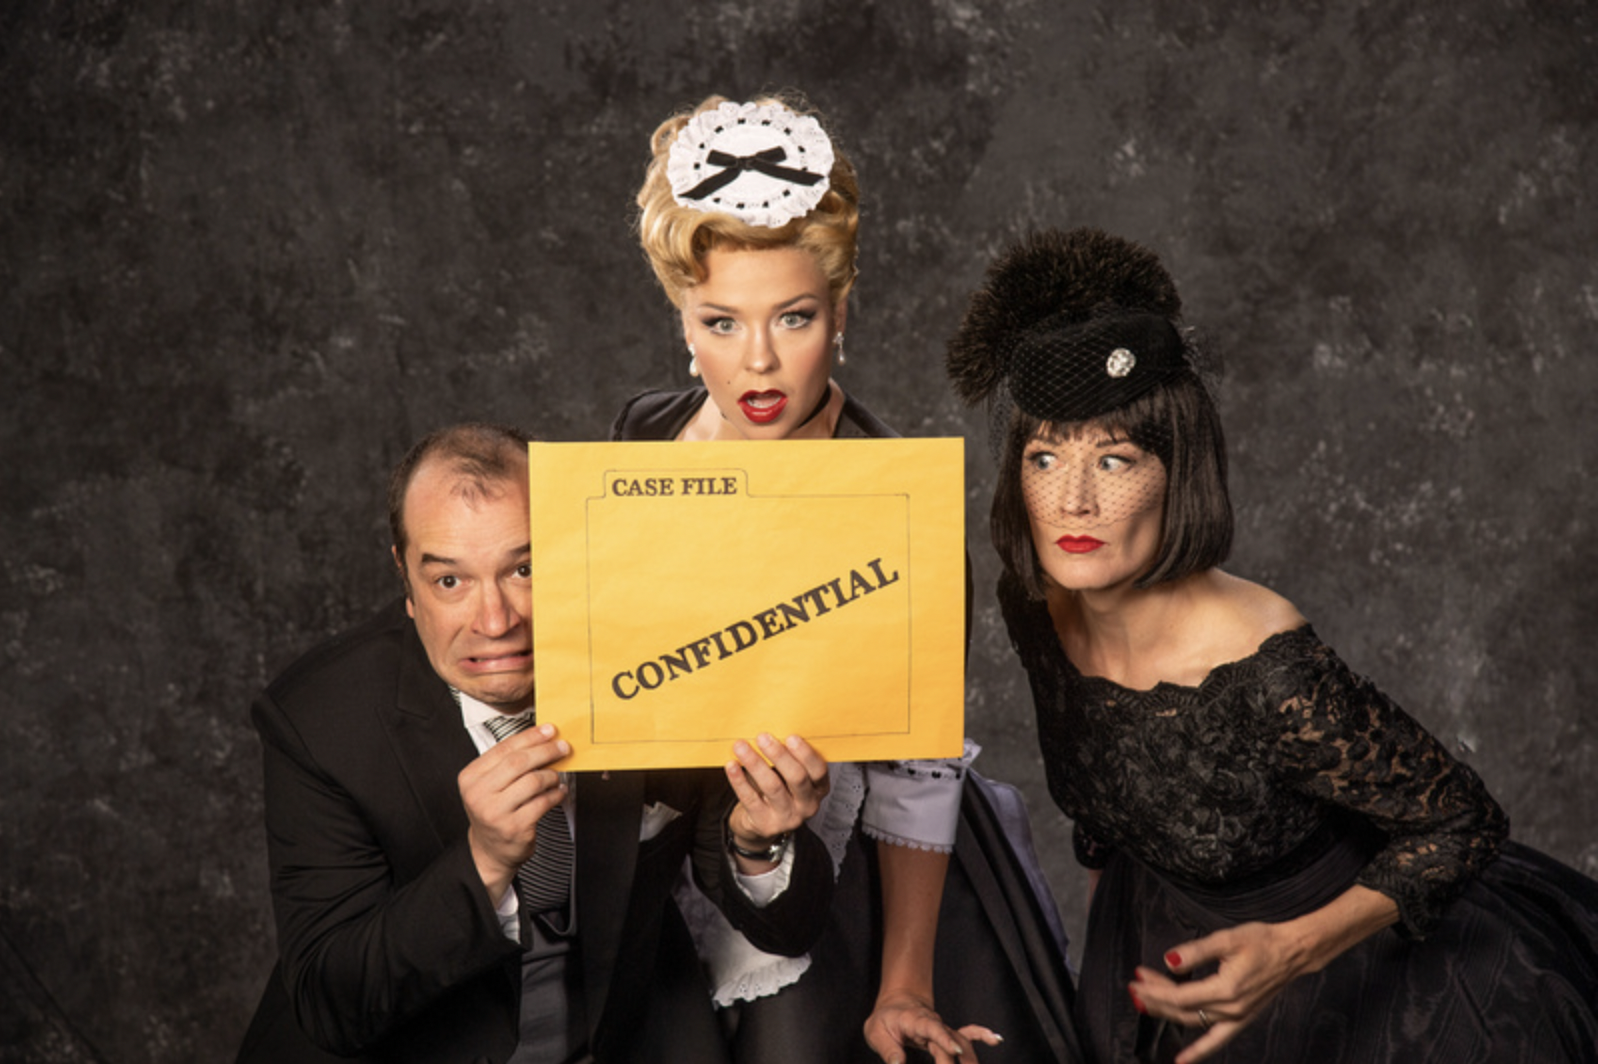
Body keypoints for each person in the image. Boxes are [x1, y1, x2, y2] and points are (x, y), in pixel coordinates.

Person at [945, 226, 1598, 1063]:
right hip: (1173, 956)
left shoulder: (1263, 663)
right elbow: (1113, 801)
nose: (1073, 501)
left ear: (1178, 471)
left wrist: (1292, 950)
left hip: (1361, 979)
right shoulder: (1035, 601)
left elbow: (1463, 823)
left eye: (1114, 461)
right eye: (1044, 457)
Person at [615, 95, 1081, 1064]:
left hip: (839, 865)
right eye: (718, 320)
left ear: (839, 311)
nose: (756, 359)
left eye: (791, 317)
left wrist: (903, 979)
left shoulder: (894, 505)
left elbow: (914, 771)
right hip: (660, 863)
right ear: (681, 319)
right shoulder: (639, 439)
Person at [235, 422, 836, 1064]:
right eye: (449, 582)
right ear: (405, 582)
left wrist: (757, 842)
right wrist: (485, 862)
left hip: (619, 1036)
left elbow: (787, 926)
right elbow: (335, 1001)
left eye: (525, 568)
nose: (495, 622)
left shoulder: (662, 665)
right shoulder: (319, 720)